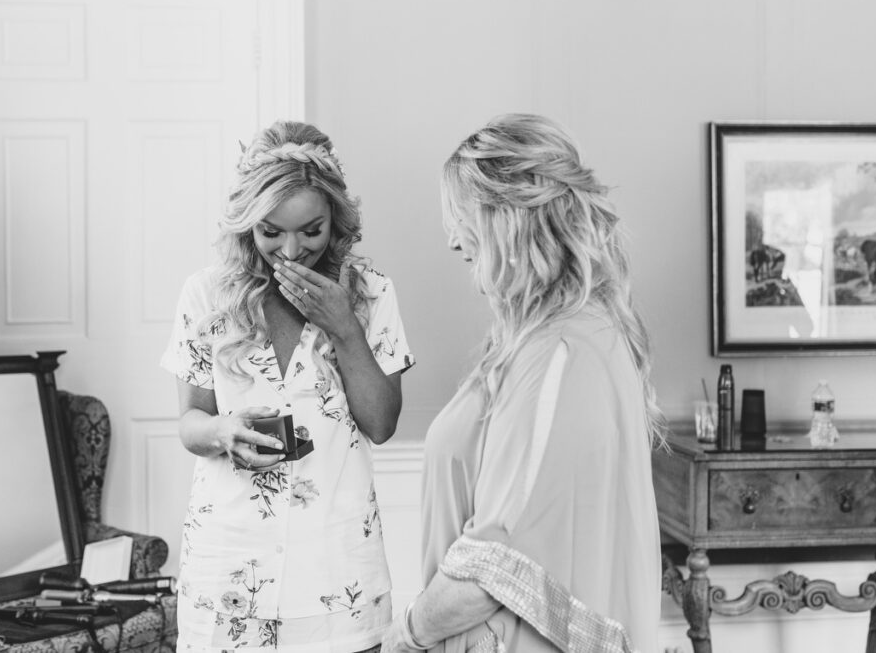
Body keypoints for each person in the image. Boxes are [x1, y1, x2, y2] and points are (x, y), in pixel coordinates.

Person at [382, 114, 663, 652]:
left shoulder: (560, 354)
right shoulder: (562, 338)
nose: (450, 240)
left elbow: (496, 565)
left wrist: (405, 635)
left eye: (459, 216)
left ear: (506, 217)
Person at [161, 120, 415, 653]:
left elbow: (382, 424)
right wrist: (222, 431)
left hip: (336, 572)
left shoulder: (370, 294)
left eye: (311, 230)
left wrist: (344, 324)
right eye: (271, 231)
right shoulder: (205, 295)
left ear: (336, 222)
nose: (292, 250)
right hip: (230, 570)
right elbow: (189, 422)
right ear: (246, 222)